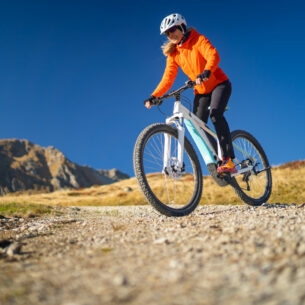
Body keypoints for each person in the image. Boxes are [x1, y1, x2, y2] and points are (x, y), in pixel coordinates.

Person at [144, 13, 236, 174]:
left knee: (215, 115)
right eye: (168, 33)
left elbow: (213, 55)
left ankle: (228, 160)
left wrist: (207, 72)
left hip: (219, 84)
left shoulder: (198, 39)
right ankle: (217, 159)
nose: (171, 34)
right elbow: (168, 77)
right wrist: (155, 95)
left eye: (173, 30)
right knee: (197, 127)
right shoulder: (174, 54)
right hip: (201, 91)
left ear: (182, 27)